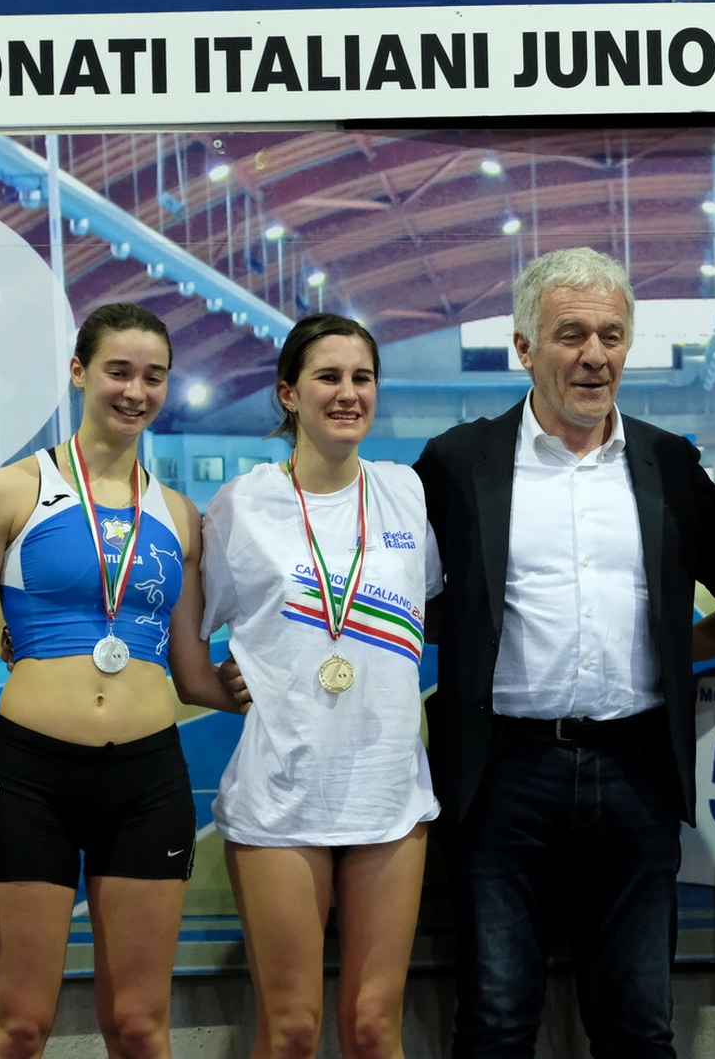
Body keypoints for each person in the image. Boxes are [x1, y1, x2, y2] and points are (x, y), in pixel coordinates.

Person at [412, 247, 715, 1059]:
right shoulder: (458, 463)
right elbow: (402, 599)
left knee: (638, 1030)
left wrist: (671, 652)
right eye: (571, 334)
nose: (595, 355)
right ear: (524, 348)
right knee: (495, 1026)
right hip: (501, 773)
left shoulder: (668, 463)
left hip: (636, 770)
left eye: (611, 335)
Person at [0, 302, 239, 1059]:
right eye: (118, 372)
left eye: (154, 377)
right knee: (17, 1027)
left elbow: (192, 672)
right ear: (79, 372)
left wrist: (287, 683)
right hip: (28, 778)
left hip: (147, 783)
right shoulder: (9, 491)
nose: (135, 391)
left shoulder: (179, 515)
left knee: (140, 1027)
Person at [201, 313, 442, 1059]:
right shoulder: (240, 505)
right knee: (292, 1029)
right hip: (282, 792)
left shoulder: (406, 493)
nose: (348, 393)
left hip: (388, 793)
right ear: (288, 393)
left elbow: (431, 609)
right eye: (328, 377)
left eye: (362, 378)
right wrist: (223, 682)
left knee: (373, 1026)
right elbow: (181, 625)